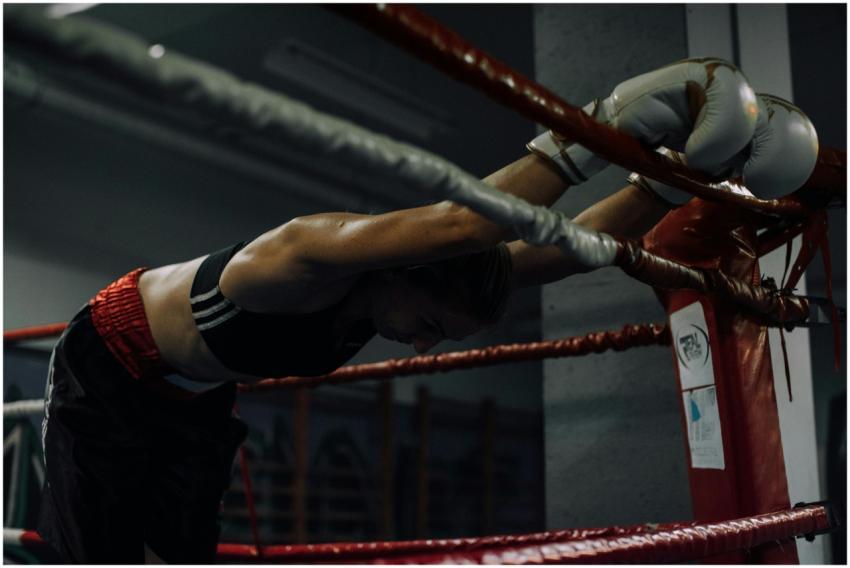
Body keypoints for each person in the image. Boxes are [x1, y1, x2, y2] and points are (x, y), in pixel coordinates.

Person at [36, 58, 817, 563]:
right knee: (92, 554)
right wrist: (608, 125)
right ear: (408, 270)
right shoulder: (299, 257)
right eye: (429, 327)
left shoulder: (419, 280)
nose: (418, 347)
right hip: (110, 369)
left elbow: (558, 248)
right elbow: (463, 223)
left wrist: (662, 181)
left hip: (195, 398)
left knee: (184, 553)